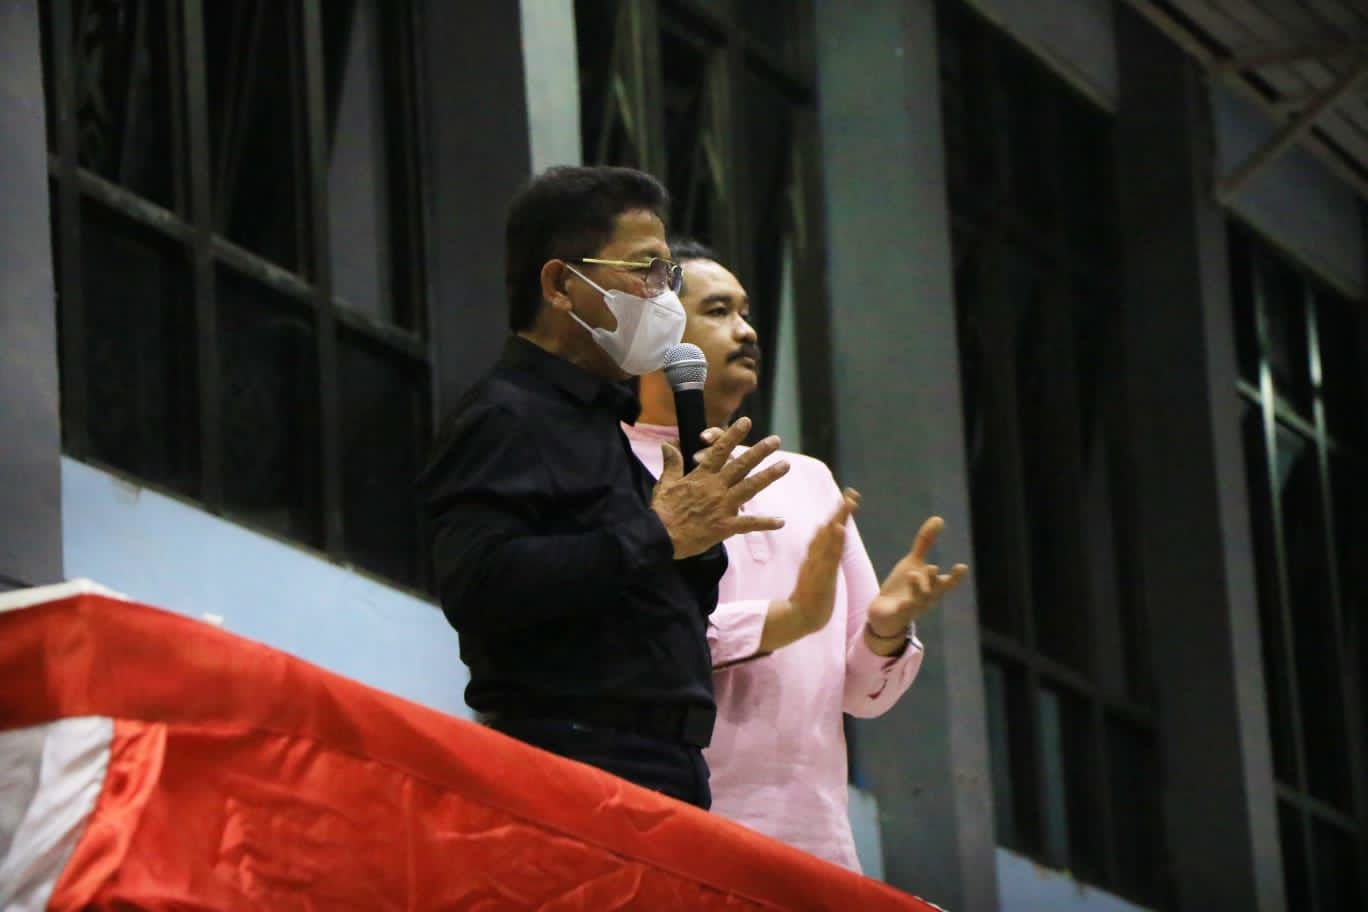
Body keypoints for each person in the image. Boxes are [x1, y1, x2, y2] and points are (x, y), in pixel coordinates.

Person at [418, 167, 791, 810]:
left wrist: (697, 541)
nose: (664, 296)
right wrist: (658, 533)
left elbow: (648, 595)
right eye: (647, 271)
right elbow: (477, 583)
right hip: (573, 761)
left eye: (669, 276)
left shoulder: (604, 421)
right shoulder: (507, 413)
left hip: (669, 764)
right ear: (561, 285)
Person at [624, 240, 969, 868]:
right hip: (673, 829)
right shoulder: (609, 465)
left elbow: (864, 694)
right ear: (655, 331)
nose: (747, 331)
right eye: (719, 311)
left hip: (817, 846)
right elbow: (624, 642)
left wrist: (884, 630)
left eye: (746, 312)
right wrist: (785, 620)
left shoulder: (806, 478)